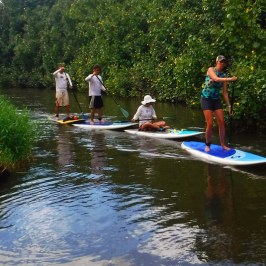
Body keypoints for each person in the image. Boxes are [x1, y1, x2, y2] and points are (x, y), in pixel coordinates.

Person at [201, 55, 237, 152]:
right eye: (220, 62)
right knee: (210, 123)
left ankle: (223, 145)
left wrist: (229, 105)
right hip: (206, 99)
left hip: (216, 99)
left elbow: (224, 92)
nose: (222, 64)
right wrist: (230, 79)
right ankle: (208, 145)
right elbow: (216, 79)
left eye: (224, 62)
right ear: (217, 62)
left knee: (221, 122)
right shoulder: (210, 70)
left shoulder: (224, 75)